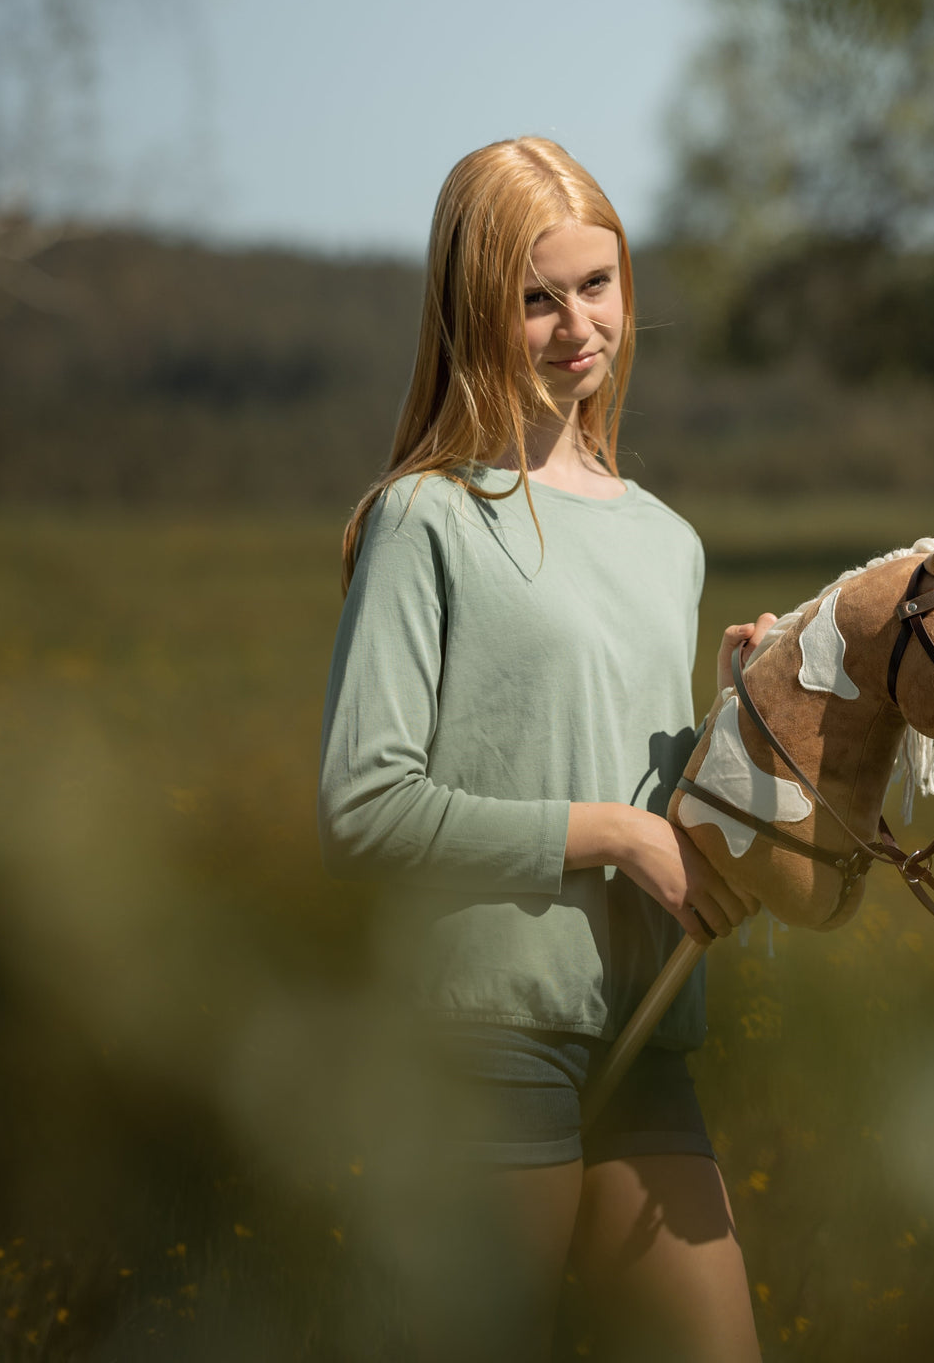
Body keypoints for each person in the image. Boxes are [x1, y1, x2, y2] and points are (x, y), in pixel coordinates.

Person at [318, 137, 772, 1361]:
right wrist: (614, 832)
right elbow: (364, 806)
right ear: (476, 306)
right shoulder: (425, 519)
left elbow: (652, 791)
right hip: (484, 1027)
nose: (579, 325)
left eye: (598, 284)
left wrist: (745, 710)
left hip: (646, 1027)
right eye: (536, 296)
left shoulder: (664, 539)